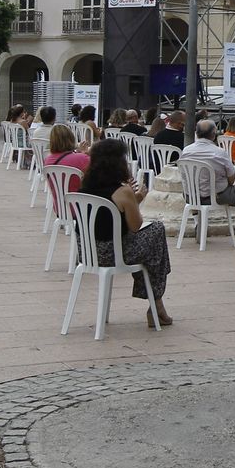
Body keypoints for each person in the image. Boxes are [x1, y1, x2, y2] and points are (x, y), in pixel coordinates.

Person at [78, 138, 173, 328]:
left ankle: (158, 305)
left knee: (151, 253)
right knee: (156, 232)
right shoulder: (122, 192)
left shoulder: (84, 187)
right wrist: (137, 198)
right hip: (115, 253)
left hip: (88, 252)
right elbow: (135, 226)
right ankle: (156, 304)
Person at [179, 118, 235, 205]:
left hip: (190, 196)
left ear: (197, 133)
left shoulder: (186, 151)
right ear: (214, 133)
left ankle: (196, 217)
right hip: (216, 197)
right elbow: (232, 178)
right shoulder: (220, 153)